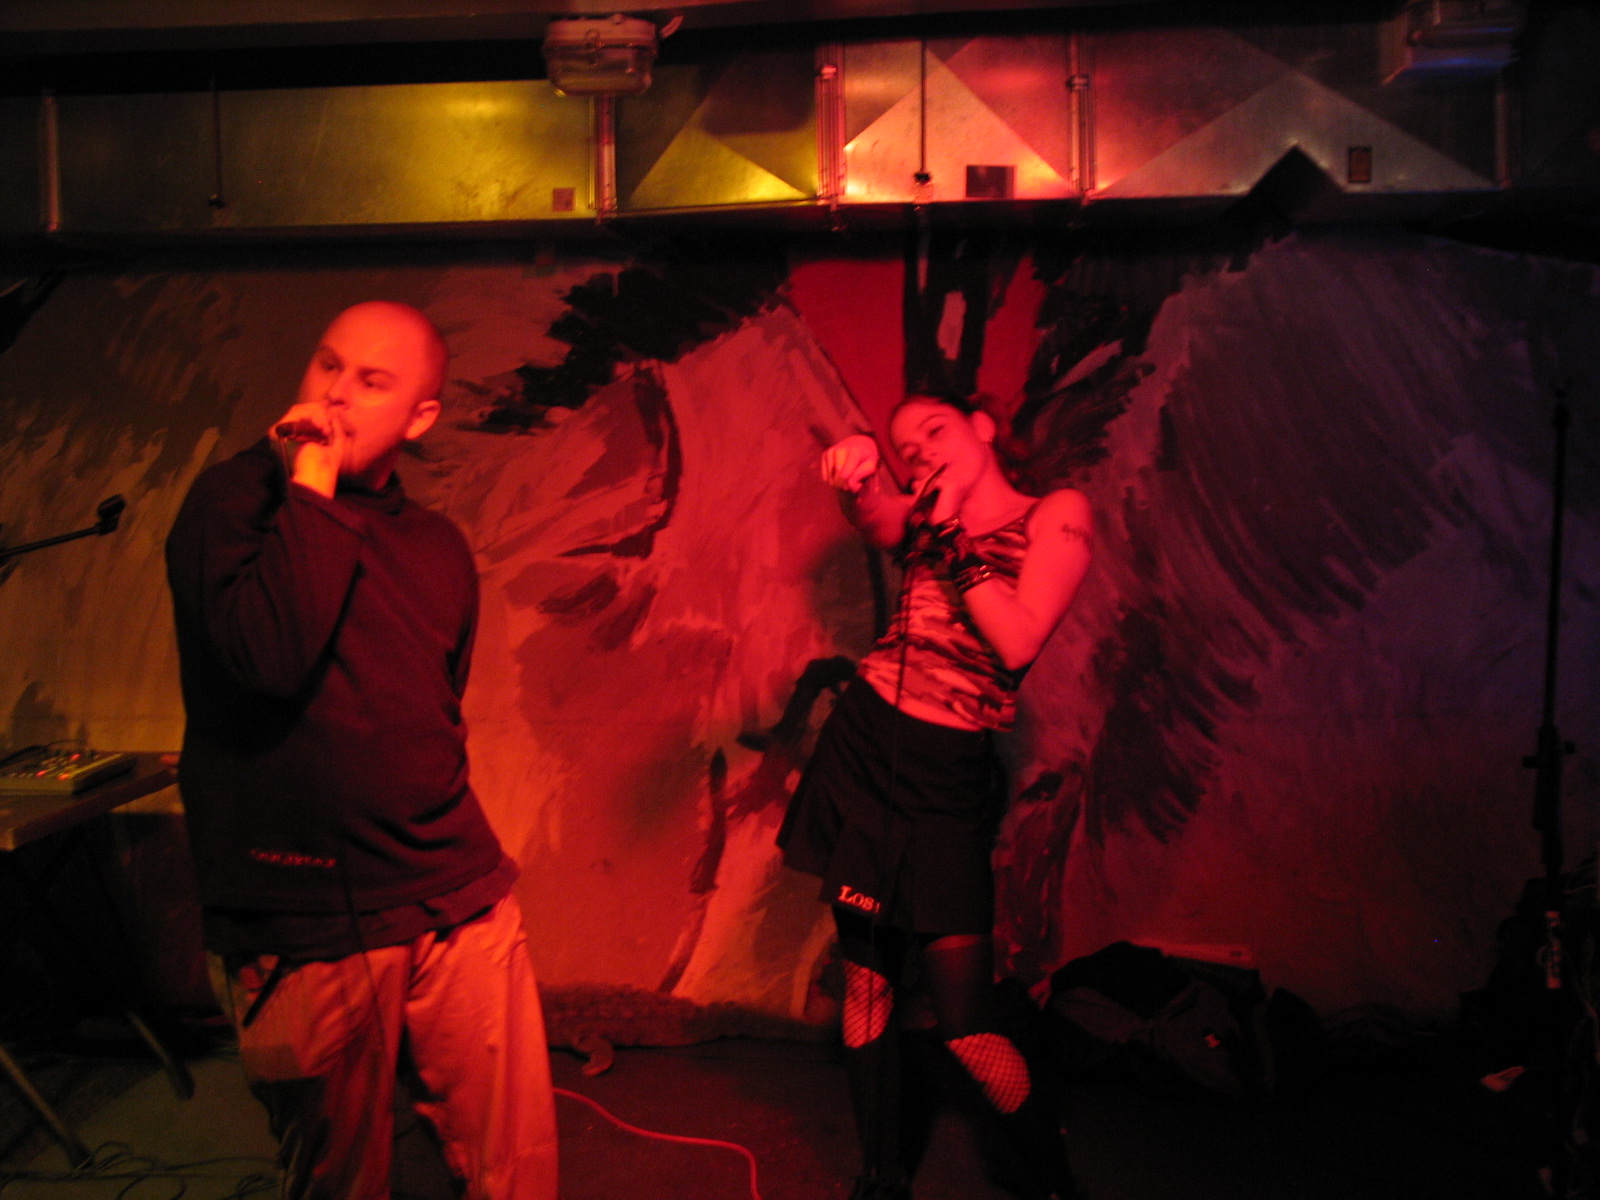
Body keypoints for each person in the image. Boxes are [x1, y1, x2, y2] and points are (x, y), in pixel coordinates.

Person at [164, 301, 558, 1200]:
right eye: (327, 364)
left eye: (371, 381)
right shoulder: (231, 504)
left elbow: (434, 704)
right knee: (340, 1175)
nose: (337, 392)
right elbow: (271, 657)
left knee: (514, 1163)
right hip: (308, 913)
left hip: (452, 884)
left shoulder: (435, 544)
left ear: (421, 417)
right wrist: (310, 484)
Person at [778, 390, 1093, 1200]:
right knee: (868, 983)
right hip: (866, 749)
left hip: (946, 776)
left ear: (982, 427)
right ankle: (881, 1177)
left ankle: (1055, 1188)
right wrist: (859, 476)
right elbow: (877, 518)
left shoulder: (1056, 513)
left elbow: (1018, 640)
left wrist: (950, 534)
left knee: (966, 1021)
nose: (918, 450)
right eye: (906, 446)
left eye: (934, 430)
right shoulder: (921, 514)